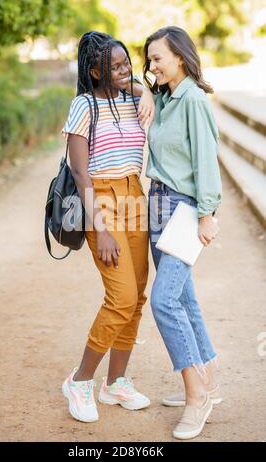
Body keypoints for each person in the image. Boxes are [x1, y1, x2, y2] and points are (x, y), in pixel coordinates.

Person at [61, 31, 154, 423]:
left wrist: (142, 89)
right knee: (119, 298)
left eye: (126, 63)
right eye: (114, 66)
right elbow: (80, 173)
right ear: (94, 70)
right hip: (102, 200)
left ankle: (115, 382)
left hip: (135, 195)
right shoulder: (84, 105)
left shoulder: (132, 98)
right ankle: (80, 380)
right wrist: (100, 228)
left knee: (136, 300)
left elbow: (139, 87)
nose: (123, 70)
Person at [143, 26, 222, 440]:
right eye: (150, 59)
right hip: (157, 203)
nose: (151, 65)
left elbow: (207, 158)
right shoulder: (163, 96)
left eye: (157, 58)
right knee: (184, 296)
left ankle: (197, 397)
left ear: (179, 57)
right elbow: (148, 94)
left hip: (185, 208)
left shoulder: (192, 99)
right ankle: (209, 377)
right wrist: (146, 89)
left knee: (164, 300)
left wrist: (208, 213)